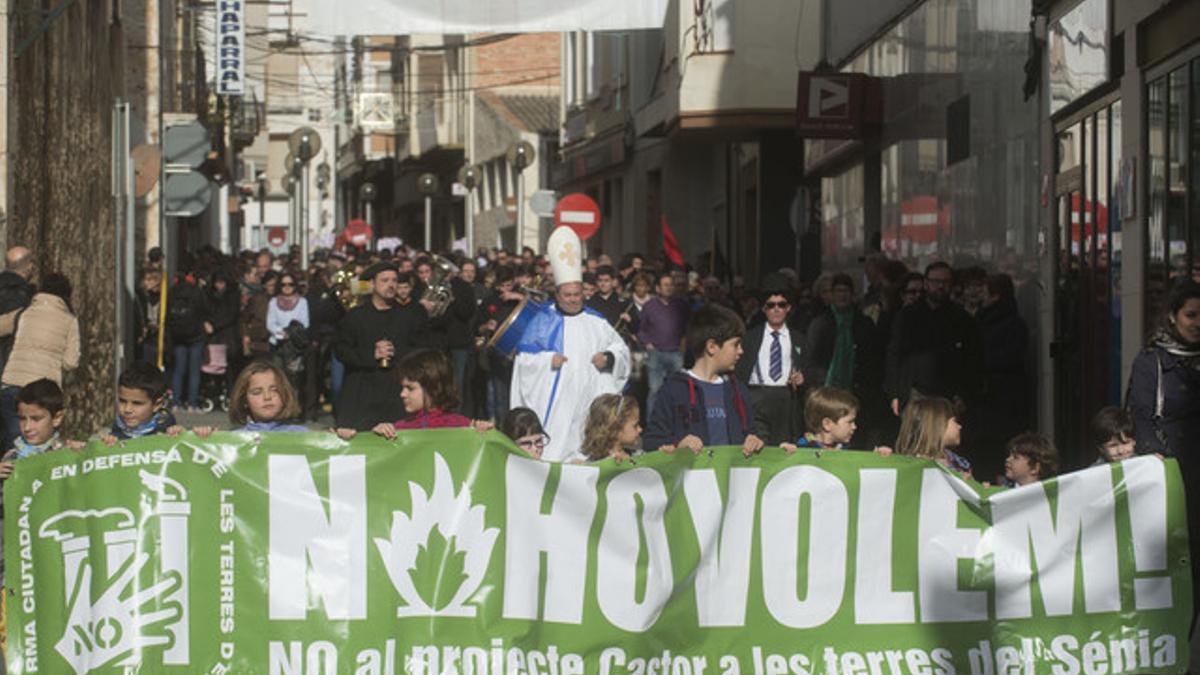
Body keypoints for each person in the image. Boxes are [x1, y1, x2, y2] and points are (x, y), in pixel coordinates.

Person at [510, 227, 631, 462]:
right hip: (556, 406)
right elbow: (523, 361)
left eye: (577, 294)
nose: (574, 299)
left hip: (589, 398)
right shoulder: (543, 320)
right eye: (568, 295)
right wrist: (547, 361)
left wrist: (609, 358)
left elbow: (621, 350)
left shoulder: (597, 321)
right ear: (557, 294)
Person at [643, 303, 763, 457]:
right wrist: (678, 444)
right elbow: (652, 441)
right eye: (736, 344)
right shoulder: (672, 390)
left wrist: (754, 440)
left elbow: (752, 432)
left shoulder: (738, 391)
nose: (741, 351)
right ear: (712, 346)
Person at [334, 264, 428, 430]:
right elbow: (341, 351)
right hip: (362, 394)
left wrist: (396, 352)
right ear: (371, 284)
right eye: (385, 280)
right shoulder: (355, 317)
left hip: (396, 394)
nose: (391, 285)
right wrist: (372, 355)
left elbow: (421, 349)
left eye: (394, 280)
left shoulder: (409, 315)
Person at [885, 262, 984, 416]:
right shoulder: (907, 316)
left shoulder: (962, 319)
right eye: (935, 281)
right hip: (914, 391)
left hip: (948, 393)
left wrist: (965, 395)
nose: (940, 286)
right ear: (926, 283)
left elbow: (973, 359)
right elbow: (894, 354)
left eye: (945, 282)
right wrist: (894, 393)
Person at [0, 273, 80, 450]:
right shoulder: (69, 320)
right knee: (37, 444)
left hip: (10, 382)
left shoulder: (24, 312)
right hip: (42, 391)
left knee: (13, 443)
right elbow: (70, 362)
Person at [974, 273, 1030, 481]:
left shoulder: (1011, 324)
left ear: (995, 295)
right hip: (987, 400)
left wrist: (980, 361)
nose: (979, 295)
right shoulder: (982, 319)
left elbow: (1011, 357)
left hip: (1003, 400)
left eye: (984, 291)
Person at [735, 287, 805, 445]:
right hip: (757, 395)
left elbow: (809, 367)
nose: (776, 309)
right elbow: (739, 368)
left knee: (784, 445)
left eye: (781, 305)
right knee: (758, 444)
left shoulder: (798, 338)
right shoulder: (750, 337)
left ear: (788, 308)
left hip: (786, 397)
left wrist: (802, 377)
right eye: (771, 305)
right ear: (764, 309)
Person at [638, 270, 690, 414]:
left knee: (678, 391)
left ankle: (678, 424)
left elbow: (688, 328)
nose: (669, 288)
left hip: (676, 353)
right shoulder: (649, 306)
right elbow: (641, 329)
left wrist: (683, 347)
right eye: (665, 285)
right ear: (658, 288)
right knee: (655, 391)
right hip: (656, 354)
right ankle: (653, 426)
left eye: (671, 285)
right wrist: (648, 344)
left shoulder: (681, 305)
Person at [101, 362, 182, 443]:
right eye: (122, 401)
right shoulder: (119, 425)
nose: (127, 409)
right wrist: (109, 442)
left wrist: (179, 436)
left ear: (157, 405)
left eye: (137, 403)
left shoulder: (166, 428)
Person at [894, 395, 970, 479]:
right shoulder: (910, 465)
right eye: (955, 421)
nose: (959, 426)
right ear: (938, 426)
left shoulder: (959, 463)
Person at [167, 272, 211, 412]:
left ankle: (175, 403)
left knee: (178, 370)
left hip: (178, 336)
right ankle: (192, 404)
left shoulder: (172, 291)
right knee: (194, 372)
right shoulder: (197, 292)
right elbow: (206, 310)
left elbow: (167, 313)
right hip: (196, 336)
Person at [227, 360, 307, 432]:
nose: (267, 397)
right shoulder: (234, 439)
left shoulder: (300, 434)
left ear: (285, 393)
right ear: (244, 400)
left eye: (275, 390)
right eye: (257, 392)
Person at [781, 387, 861, 452]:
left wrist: (871, 459)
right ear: (827, 424)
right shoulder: (803, 448)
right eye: (850, 422)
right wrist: (784, 453)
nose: (854, 427)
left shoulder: (847, 449)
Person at [580, 393, 641, 463]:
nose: (640, 429)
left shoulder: (638, 456)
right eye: (635, 426)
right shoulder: (594, 466)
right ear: (615, 428)